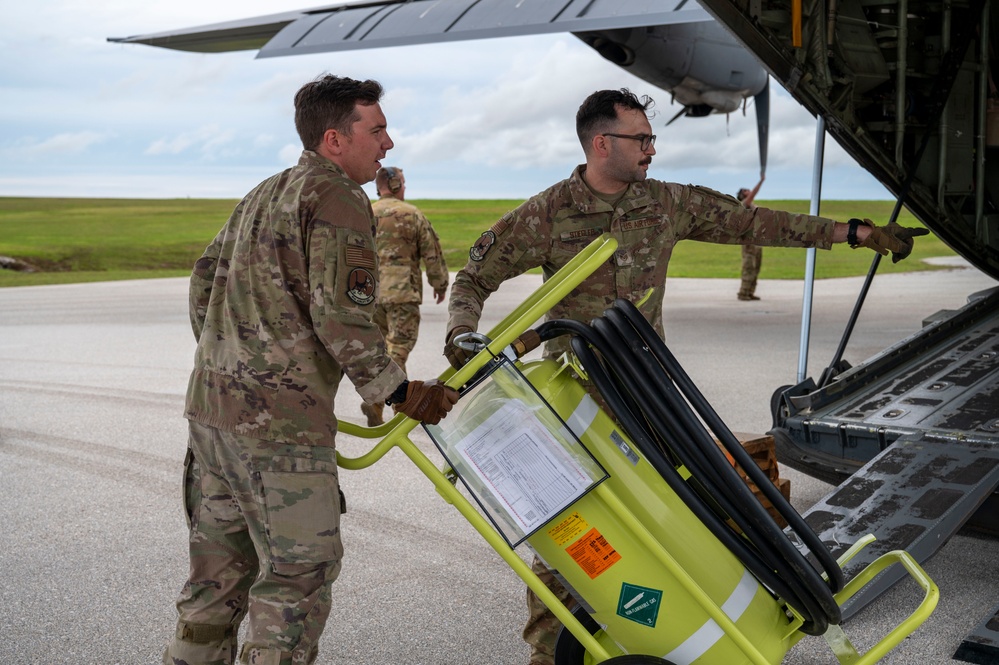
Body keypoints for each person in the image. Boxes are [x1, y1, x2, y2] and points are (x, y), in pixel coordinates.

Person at [442, 88, 927, 665]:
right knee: (571, 526)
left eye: (652, 138)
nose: (652, 148)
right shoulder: (547, 214)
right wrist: (462, 334)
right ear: (602, 144)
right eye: (641, 138)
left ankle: (688, 630)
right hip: (577, 398)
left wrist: (857, 234)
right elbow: (473, 277)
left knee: (681, 511)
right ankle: (550, 653)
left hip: (650, 394)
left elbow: (756, 224)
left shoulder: (666, 203)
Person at [163, 74, 459, 665]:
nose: (389, 143)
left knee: (214, 584)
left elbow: (203, 280)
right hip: (278, 432)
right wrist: (400, 391)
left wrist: (232, 358)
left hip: (213, 414)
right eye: (377, 130)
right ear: (335, 139)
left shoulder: (266, 190)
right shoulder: (338, 197)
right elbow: (341, 316)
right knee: (295, 583)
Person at [360, 166, 450, 426]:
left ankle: (394, 406)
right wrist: (439, 283)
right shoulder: (412, 214)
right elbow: (431, 252)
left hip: (370, 293)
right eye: (403, 182)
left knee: (381, 350)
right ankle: (380, 401)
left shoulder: (365, 213)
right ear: (395, 184)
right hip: (402, 292)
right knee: (398, 347)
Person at [737, 174, 765, 300]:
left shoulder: (753, 206)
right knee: (748, 267)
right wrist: (761, 181)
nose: (748, 190)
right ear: (743, 195)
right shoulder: (744, 204)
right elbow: (753, 194)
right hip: (748, 242)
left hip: (756, 241)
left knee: (756, 267)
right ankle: (743, 293)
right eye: (745, 190)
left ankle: (750, 292)